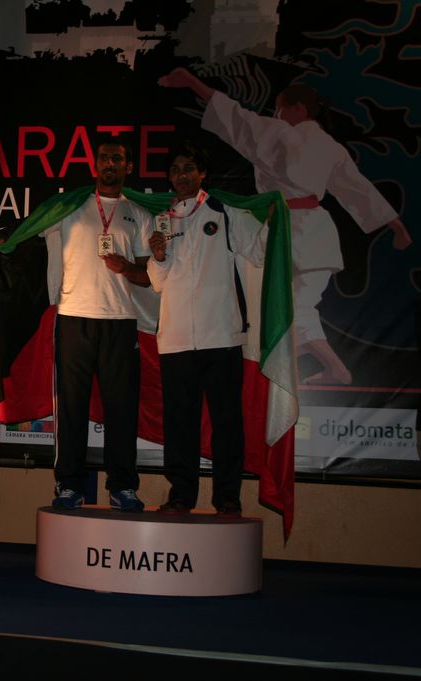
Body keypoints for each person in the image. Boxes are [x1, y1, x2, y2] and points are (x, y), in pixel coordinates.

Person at [158, 68, 411, 385]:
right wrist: (396, 225)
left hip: (290, 229)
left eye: (279, 109)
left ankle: (334, 369)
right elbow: (358, 190)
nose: (276, 115)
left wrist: (192, 82)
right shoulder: (330, 146)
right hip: (312, 231)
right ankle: (296, 366)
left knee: (294, 307)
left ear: (299, 109)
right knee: (284, 306)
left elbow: (236, 118)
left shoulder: (279, 135)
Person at [148, 142, 267, 517]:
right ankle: (181, 495)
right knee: (179, 425)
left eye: (189, 168)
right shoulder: (162, 220)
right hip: (176, 341)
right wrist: (158, 255)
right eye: (175, 170)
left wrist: (273, 216)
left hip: (221, 337)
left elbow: (259, 251)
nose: (182, 175)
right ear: (169, 178)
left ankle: (227, 496)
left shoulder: (226, 212)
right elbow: (157, 282)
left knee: (226, 422)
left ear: (202, 174)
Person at [45, 140, 153, 512]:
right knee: (71, 408)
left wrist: (128, 267)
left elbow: (148, 276)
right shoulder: (70, 207)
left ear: (127, 166)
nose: (110, 163)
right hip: (74, 317)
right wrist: (5, 241)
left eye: (117, 159)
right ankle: (69, 485)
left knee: (121, 409)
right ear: (95, 164)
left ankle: (122, 487)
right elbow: (30, 231)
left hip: (120, 321)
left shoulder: (138, 213)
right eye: (104, 158)